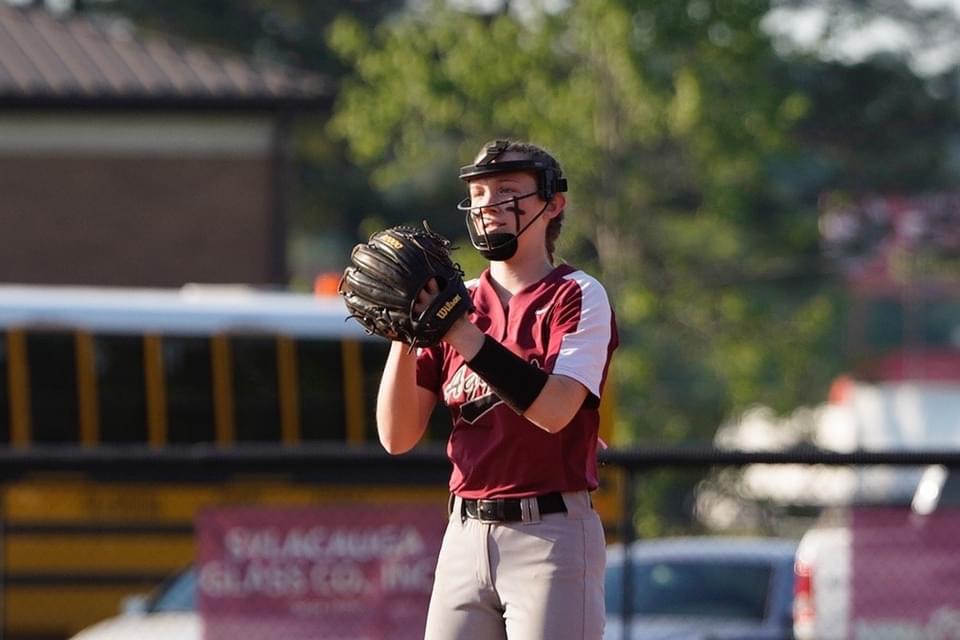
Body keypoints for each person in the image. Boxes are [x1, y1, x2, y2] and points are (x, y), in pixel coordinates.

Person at [376, 139, 618, 640]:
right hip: (464, 532)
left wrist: (458, 330)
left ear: (553, 204)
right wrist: (406, 333)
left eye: (508, 191)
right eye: (480, 192)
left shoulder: (576, 295)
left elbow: (554, 410)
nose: (489, 204)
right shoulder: (456, 304)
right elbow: (396, 436)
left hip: (550, 532)